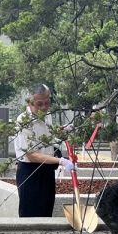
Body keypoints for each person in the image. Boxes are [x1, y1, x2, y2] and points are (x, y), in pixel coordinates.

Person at [14, 84, 76, 217]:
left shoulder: (47, 114)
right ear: (29, 103)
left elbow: (46, 135)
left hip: (47, 169)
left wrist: (62, 128)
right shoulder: (23, 122)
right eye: (39, 104)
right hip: (30, 171)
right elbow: (32, 155)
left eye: (47, 102)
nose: (44, 107)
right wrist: (61, 161)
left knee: (47, 210)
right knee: (31, 213)